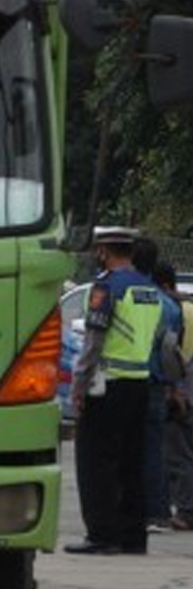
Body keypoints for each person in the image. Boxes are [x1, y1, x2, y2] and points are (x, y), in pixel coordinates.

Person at [66, 226, 173, 555]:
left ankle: (101, 535)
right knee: (132, 462)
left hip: (107, 385)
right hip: (139, 384)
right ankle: (132, 537)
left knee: (96, 462)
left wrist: (78, 388)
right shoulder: (150, 290)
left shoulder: (106, 287)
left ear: (103, 252)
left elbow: (93, 343)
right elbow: (161, 340)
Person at [134, 239, 185, 534]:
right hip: (158, 384)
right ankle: (159, 511)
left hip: (129, 381)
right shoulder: (170, 306)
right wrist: (174, 387)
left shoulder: (131, 296)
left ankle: (140, 510)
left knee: (127, 450)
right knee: (154, 449)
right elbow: (172, 352)